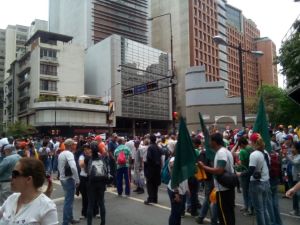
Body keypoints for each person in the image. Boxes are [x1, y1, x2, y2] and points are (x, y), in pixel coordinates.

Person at [0, 158, 58, 225]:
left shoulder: (47, 207)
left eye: (14, 174)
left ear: (28, 179)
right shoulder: (12, 198)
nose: (10, 177)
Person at [198, 133, 235, 225]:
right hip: (227, 188)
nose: (209, 143)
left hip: (223, 190)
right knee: (229, 215)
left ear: (214, 142)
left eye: (210, 141)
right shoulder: (225, 151)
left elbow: (219, 170)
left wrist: (203, 167)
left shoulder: (221, 153)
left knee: (224, 216)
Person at [238, 133, 272, 225]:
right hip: (266, 182)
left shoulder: (254, 154)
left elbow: (250, 171)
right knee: (264, 208)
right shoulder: (265, 152)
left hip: (257, 183)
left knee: (259, 210)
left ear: (252, 142)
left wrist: (240, 173)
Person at [58, 138, 80, 225]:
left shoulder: (61, 154)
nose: (75, 146)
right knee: (68, 201)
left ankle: (70, 219)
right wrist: (77, 179)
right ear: (70, 146)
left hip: (63, 178)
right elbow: (73, 167)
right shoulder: (69, 154)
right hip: (68, 179)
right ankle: (66, 222)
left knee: (69, 200)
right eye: (73, 144)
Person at [86, 141, 109, 225]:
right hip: (102, 183)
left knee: (90, 204)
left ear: (91, 149)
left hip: (92, 183)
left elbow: (88, 172)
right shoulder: (102, 158)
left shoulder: (89, 159)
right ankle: (103, 222)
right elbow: (106, 170)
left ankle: (89, 223)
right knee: (101, 203)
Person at [167, 156, 189, 225]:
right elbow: (173, 176)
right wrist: (176, 193)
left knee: (178, 213)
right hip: (175, 190)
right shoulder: (174, 159)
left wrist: (187, 188)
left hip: (182, 191)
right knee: (175, 213)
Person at [144, 134, 162, 205]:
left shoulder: (150, 147)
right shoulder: (158, 147)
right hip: (157, 168)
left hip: (151, 168)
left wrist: (146, 164)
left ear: (150, 140)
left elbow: (149, 157)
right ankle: (155, 198)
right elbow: (161, 155)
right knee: (155, 184)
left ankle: (150, 198)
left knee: (150, 184)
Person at [78, 143, 92, 219]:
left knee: (93, 195)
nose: (86, 151)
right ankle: (84, 213)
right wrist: (87, 159)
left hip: (92, 178)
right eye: (85, 149)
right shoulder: (82, 156)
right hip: (83, 177)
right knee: (84, 196)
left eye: (88, 149)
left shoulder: (94, 155)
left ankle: (95, 211)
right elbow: (81, 165)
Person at [286, 141, 300, 216]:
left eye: (293, 147)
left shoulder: (299, 156)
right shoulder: (293, 155)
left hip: (297, 178)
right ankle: (296, 209)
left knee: (296, 195)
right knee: (294, 194)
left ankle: (296, 210)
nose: (292, 149)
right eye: (291, 147)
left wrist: (288, 156)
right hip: (292, 177)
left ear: (298, 149)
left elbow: (294, 162)